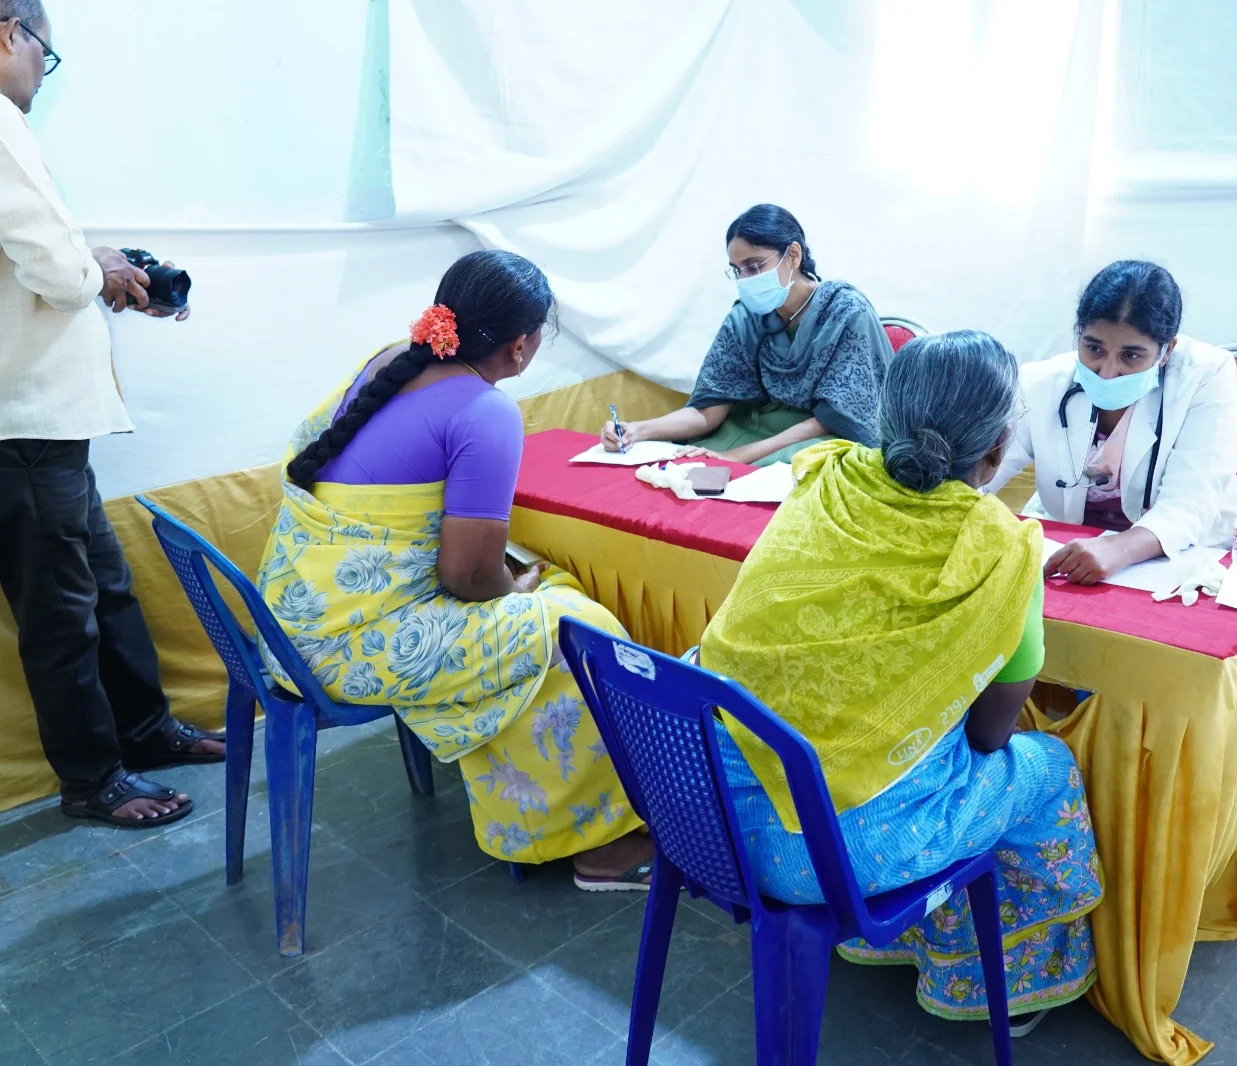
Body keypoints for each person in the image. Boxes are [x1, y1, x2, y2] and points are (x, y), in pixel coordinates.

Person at [699, 331, 1102, 1033]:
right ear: (998, 449)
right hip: (820, 859)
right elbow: (986, 736)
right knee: (1047, 768)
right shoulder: (1002, 550)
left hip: (704, 815)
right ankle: (990, 982)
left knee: (879, 752)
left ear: (886, 415)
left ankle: (893, 942)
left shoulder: (824, 476)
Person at [257, 250, 652, 890]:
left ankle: (541, 809)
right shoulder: (486, 412)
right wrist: (517, 587)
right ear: (521, 347)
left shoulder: (388, 360)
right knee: (578, 623)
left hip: (289, 620)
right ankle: (598, 845)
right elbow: (467, 576)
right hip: (343, 648)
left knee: (541, 600)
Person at [0, 0, 222, 829]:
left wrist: (93, 266)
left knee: (104, 589)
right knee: (63, 616)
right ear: (8, 32)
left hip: (44, 425)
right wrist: (98, 270)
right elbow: (57, 274)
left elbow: (37, 261)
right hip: (24, 428)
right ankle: (93, 779)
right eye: (43, 59)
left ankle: (146, 730)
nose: (36, 80)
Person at [985, 260, 1237, 585]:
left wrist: (1118, 549)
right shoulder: (1042, 383)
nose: (1107, 372)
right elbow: (981, 470)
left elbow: (1191, 500)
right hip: (1071, 542)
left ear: (1166, 351)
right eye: (1093, 348)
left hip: (1184, 552)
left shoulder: (1204, 376)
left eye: (1131, 356)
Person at [601, 204, 894, 467]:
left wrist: (742, 455)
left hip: (823, 433)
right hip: (756, 424)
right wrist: (639, 430)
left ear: (793, 255)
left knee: (801, 469)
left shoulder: (846, 313)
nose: (745, 280)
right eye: (737, 270)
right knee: (685, 463)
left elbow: (838, 416)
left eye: (754, 266)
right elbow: (709, 412)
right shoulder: (746, 317)